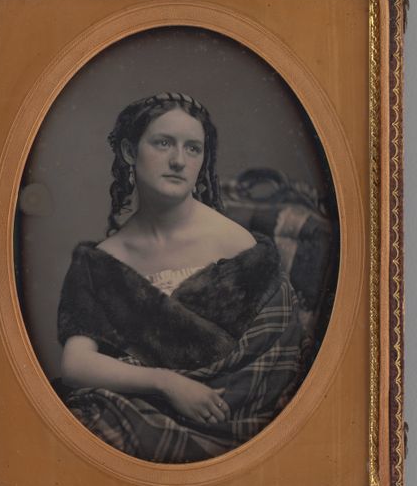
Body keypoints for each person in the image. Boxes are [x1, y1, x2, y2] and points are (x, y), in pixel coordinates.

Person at [57, 92, 303, 463]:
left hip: (238, 427)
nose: (178, 161)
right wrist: (166, 382)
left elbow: (272, 365)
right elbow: (75, 365)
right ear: (129, 151)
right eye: (163, 143)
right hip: (142, 416)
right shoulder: (102, 262)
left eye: (193, 148)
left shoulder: (236, 244)